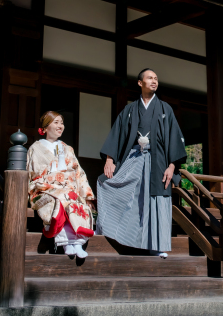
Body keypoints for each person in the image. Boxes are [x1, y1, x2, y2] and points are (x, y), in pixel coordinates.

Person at [96, 68, 187, 258]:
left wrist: (172, 166)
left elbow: (173, 138)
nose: (154, 81)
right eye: (150, 78)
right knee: (108, 183)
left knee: (156, 198)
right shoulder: (129, 110)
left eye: (156, 78)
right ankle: (114, 232)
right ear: (140, 83)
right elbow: (117, 134)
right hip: (134, 158)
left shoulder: (165, 109)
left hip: (159, 161)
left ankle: (157, 245)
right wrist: (110, 159)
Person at [27, 111, 95, 258]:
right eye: (56, 122)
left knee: (76, 200)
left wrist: (87, 195)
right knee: (61, 199)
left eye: (61, 123)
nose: (60, 126)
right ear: (45, 128)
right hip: (45, 189)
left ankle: (77, 243)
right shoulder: (35, 148)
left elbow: (79, 173)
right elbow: (32, 174)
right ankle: (65, 243)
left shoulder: (67, 148)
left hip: (67, 188)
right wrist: (53, 180)